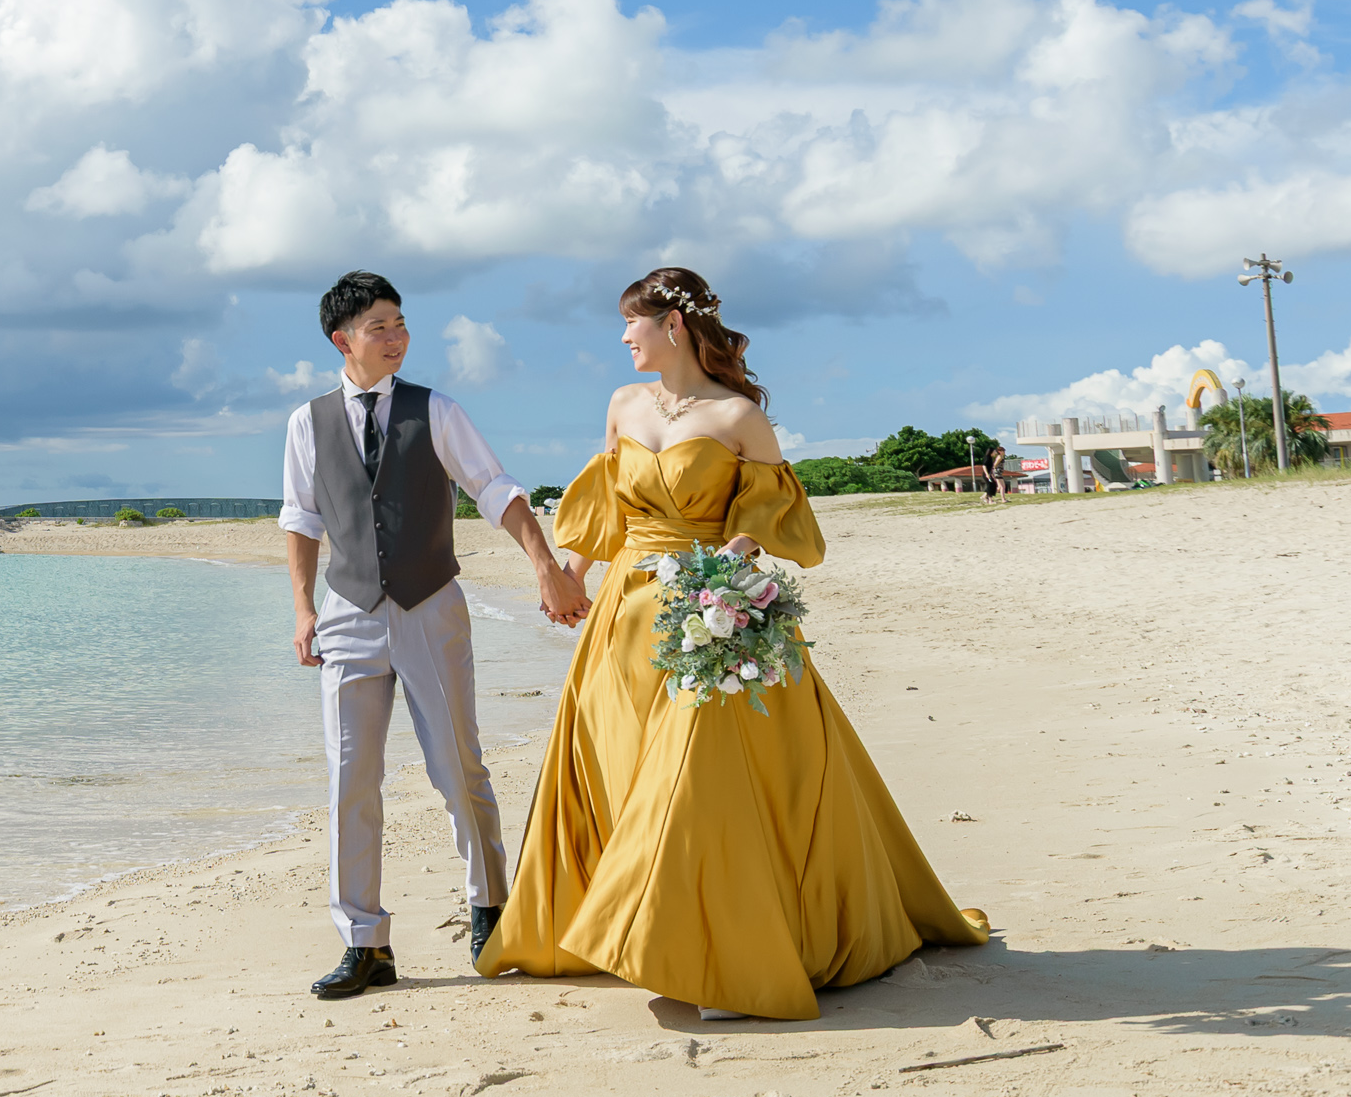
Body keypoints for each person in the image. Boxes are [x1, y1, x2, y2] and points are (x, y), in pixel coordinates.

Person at [477, 265, 986, 1021]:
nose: (623, 338)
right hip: (625, 616)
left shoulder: (739, 416)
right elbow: (606, 511)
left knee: (699, 779)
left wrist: (723, 575)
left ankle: (717, 955)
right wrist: (569, 577)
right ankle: (642, 930)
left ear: (673, 324)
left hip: (711, 613)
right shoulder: (622, 405)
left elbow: (768, 519)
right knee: (626, 765)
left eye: (631, 322)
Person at [281, 270, 591, 1000]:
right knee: (350, 779)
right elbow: (301, 518)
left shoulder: (437, 410)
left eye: (400, 324)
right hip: (348, 612)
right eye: (379, 327)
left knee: (457, 766)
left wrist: (544, 564)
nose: (397, 338)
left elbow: (495, 489)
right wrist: (301, 609)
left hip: (431, 606)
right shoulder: (307, 423)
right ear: (342, 340)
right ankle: (364, 942)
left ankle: (490, 906)